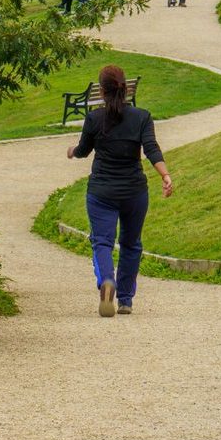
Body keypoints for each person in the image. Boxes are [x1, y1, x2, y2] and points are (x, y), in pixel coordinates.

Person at [66, 64, 173, 316]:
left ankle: (107, 281)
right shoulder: (142, 117)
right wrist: (165, 175)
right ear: (125, 89)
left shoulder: (94, 118)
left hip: (102, 191)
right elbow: (151, 149)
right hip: (134, 192)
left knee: (102, 241)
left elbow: (83, 150)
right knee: (131, 243)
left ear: (102, 91)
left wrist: (72, 151)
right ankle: (125, 299)